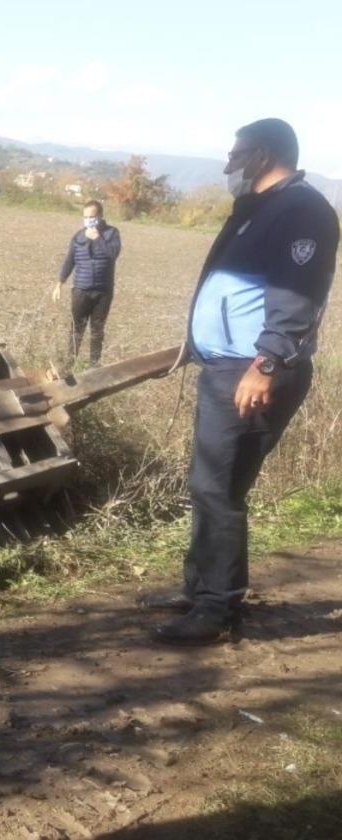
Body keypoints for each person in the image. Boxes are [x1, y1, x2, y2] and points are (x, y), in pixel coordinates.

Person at [142, 119, 337, 646]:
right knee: (209, 485)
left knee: (219, 487)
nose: (229, 165)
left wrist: (267, 363)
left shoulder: (302, 212)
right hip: (227, 366)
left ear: (263, 155)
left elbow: (297, 297)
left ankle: (216, 610)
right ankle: (200, 590)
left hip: (252, 373)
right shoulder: (261, 208)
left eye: (237, 155)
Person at [53, 200, 122, 367]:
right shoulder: (78, 236)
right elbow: (70, 260)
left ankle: (93, 365)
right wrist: (59, 283)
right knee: (76, 328)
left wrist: (98, 239)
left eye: (92, 217)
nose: (88, 220)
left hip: (103, 292)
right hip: (81, 290)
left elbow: (113, 254)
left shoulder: (112, 233)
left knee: (97, 330)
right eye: (85, 217)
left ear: (100, 216)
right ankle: (69, 364)